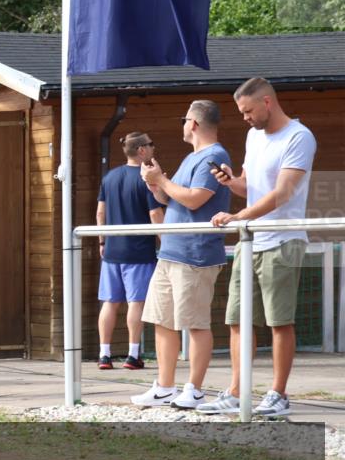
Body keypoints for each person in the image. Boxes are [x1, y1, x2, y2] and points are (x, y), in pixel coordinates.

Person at [201, 77, 318, 417]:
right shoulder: (253, 137)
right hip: (250, 240)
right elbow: (250, 187)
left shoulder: (299, 137)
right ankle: (237, 392)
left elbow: (282, 193)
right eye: (241, 112)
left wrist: (238, 216)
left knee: (279, 321)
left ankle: (278, 394)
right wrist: (230, 182)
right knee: (237, 319)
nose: (245, 118)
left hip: (282, 240)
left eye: (248, 111)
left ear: (267, 102)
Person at [131, 100, 231, 410]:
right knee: (162, 320)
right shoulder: (191, 158)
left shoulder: (214, 156)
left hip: (195, 254)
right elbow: (172, 198)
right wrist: (155, 185)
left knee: (196, 323)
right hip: (171, 252)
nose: (183, 125)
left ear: (195, 124)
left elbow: (195, 199)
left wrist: (161, 180)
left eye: (184, 120)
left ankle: (195, 389)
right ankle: (164, 387)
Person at [93, 132, 164, 370]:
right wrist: (167, 241)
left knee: (109, 302)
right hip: (139, 251)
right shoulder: (146, 179)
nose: (153, 148)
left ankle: (104, 355)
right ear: (142, 150)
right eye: (151, 144)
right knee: (136, 302)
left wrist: (102, 242)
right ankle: (133, 355)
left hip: (112, 251)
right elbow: (155, 214)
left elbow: (100, 213)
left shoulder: (110, 177)